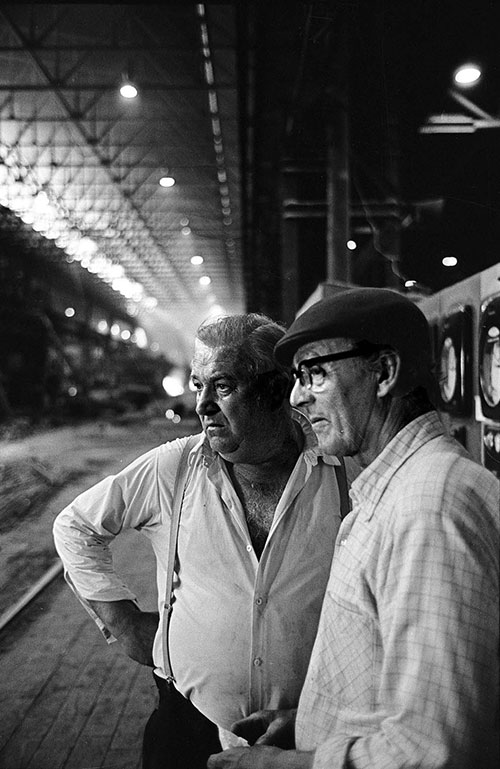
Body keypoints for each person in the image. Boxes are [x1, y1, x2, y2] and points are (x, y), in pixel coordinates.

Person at [207, 288, 500, 769]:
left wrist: (281, 766)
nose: (298, 396)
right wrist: (312, 718)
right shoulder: (397, 491)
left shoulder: (430, 508)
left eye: (314, 373)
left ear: (383, 372)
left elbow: (431, 750)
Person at [53, 312, 349, 769]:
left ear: (275, 390)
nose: (203, 405)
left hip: (310, 729)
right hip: (187, 730)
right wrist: (125, 623)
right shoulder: (175, 469)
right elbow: (75, 527)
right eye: (198, 386)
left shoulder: (342, 473)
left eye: (223, 386)